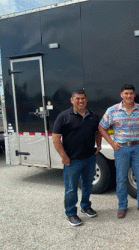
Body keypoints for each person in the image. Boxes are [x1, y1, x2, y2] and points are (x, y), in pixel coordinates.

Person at [99, 84, 139, 219]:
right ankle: (122, 206)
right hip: (121, 148)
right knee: (121, 178)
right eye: (126, 93)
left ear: (134, 95)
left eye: (131, 93)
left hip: (137, 148)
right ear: (121, 95)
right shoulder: (112, 111)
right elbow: (101, 127)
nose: (129, 96)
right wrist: (112, 143)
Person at [52, 89, 102, 227]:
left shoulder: (92, 115)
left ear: (86, 100)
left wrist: (99, 145)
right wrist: (64, 156)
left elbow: (98, 131)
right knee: (71, 188)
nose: (81, 101)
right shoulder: (64, 116)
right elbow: (56, 137)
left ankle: (85, 206)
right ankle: (71, 213)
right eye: (77, 98)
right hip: (72, 160)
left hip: (90, 158)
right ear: (72, 100)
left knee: (88, 185)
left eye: (83, 98)